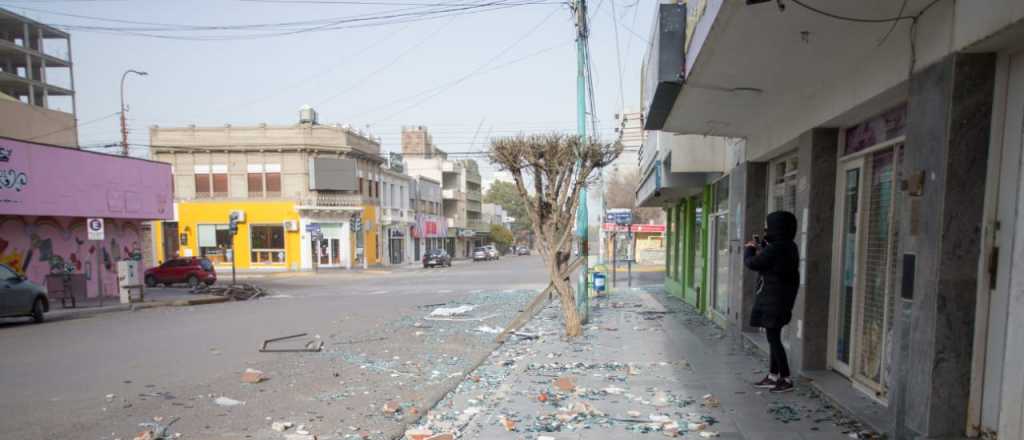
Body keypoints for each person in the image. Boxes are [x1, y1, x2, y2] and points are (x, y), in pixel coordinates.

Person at [744, 210, 800, 393]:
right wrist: (766, 246)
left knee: (773, 339)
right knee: (772, 337)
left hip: (774, 300)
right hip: (781, 299)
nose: (766, 230)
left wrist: (750, 249)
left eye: (769, 227)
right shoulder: (789, 246)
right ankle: (773, 376)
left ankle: (785, 378)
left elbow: (753, 263)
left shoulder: (776, 248)